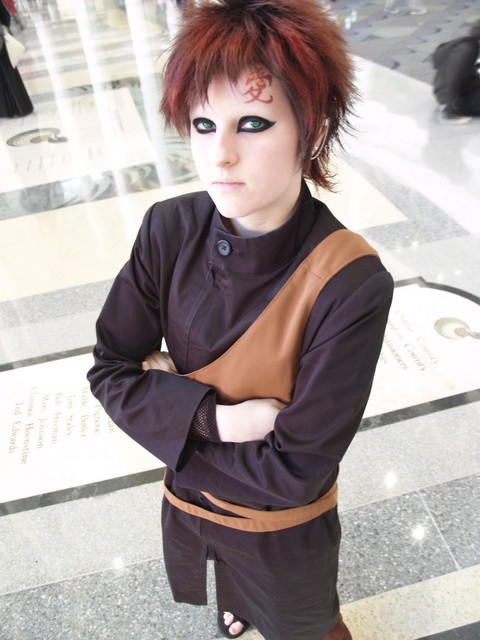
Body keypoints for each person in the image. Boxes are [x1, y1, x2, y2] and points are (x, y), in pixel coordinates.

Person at [87, 1, 393, 638]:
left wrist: (166, 408)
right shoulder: (169, 228)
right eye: (203, 124)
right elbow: (110, 370)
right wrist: (218, 421)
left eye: (252, 123)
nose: (219, 155)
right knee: (228, 584)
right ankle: (238, 603)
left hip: (282, 532)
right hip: (194, 506)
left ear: (313, 130)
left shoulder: (350, 281)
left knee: (304, 623)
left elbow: (293, 472)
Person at [432, 19, 480, 123]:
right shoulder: (467, 49)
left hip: (470, 89)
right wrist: (449, 111)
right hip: (459, 99)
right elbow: (450, 80)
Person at [0, 0, 33, 118]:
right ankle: (21, 107)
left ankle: (5, 111)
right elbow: (5, 17)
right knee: (10, 73)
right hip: (1, 43)